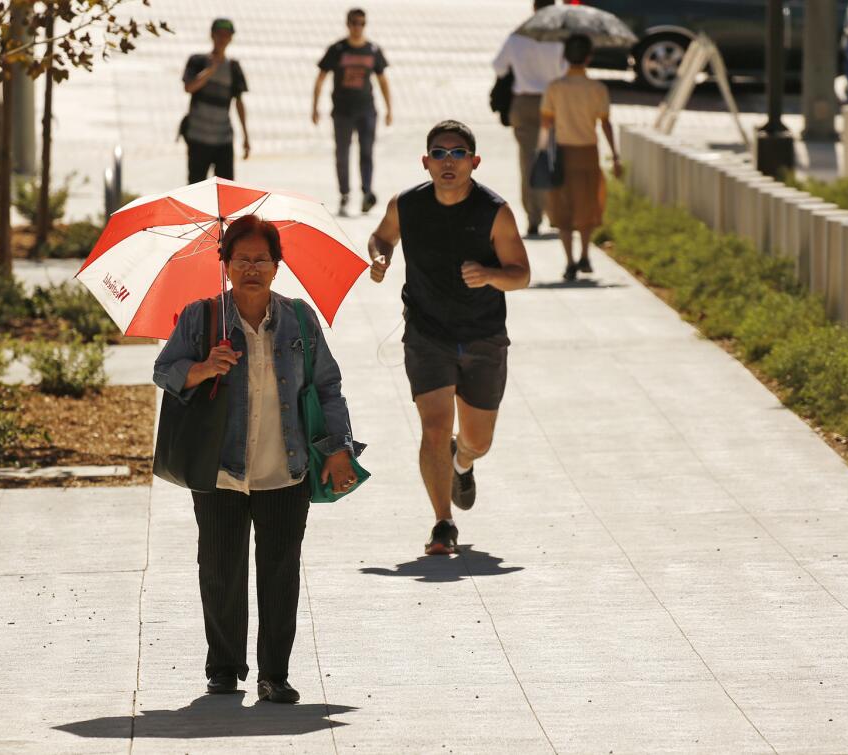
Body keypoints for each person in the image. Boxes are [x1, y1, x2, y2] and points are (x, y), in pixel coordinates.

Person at [152, 215, 364, 703]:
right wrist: (203, 368)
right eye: (241, 259)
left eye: (261, 259)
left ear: (276, 265)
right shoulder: (201, 317)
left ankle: (275, 673)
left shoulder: (300, 319)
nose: (251, 268)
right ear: (225, 264)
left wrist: (337, 449)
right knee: (221, 570)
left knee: (280, 571)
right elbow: (165, 371)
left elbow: (327, 387)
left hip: (285, 468)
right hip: (220, 469)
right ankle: (224, 667)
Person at [367, 121, 530, 556]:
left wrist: (490, 275)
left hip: (483, 338)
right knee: (434, 428)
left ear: (474, 162)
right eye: (438, 154)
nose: (448, 162)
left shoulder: (494, 211)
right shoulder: (407, 205)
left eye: (457, 154)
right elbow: (383, 235)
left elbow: (522, 274)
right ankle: (443, 522)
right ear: (426, 162)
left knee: (478, 440)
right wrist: (381, 255)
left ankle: (464, 460)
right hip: (427, 334)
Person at [538, 34, 622, 281]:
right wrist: (615, 155)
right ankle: (585, 254)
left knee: (562, 207)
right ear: (589, 58)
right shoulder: (597, 89)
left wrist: (542, 152)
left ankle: (569, 261)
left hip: (561, 152)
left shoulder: (555, 87)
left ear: (564, 57)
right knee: (587, 204)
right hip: (588, 152)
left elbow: (546, 121)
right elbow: (605, 123)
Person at [492, 0, 567, 238]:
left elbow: (498, 67)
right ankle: (556, 214)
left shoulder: (518, 35)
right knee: (553, 157)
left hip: (523, 102)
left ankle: (533, 218)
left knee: (528, 161)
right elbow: (565, 70)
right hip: (552, 101)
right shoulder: (559, 37)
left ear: (534, 8)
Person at [311, 8, 393, 217]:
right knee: (342, 154)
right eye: (354, 23)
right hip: (342, 111)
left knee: (367, 152)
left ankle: (366, 192)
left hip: (367, 110)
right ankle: (345, 194)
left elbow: (382, 80)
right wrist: (315, 107)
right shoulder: (337, 49)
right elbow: (321, 78)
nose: (358, 27)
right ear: (348, 24)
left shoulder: (372, 50)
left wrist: (389, 109)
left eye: (362, 23)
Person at [182, 18, 250, 183]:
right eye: (219, 34)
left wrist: (246, 136)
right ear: (212, 35)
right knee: (195, 187)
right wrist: (210, 70)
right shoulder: (197, 60)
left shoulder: (234, 67)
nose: (222, 39)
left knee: (226, 188)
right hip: (198, 136)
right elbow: (189, 87)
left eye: (226, 35)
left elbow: (239, 102)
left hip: (223, 139)